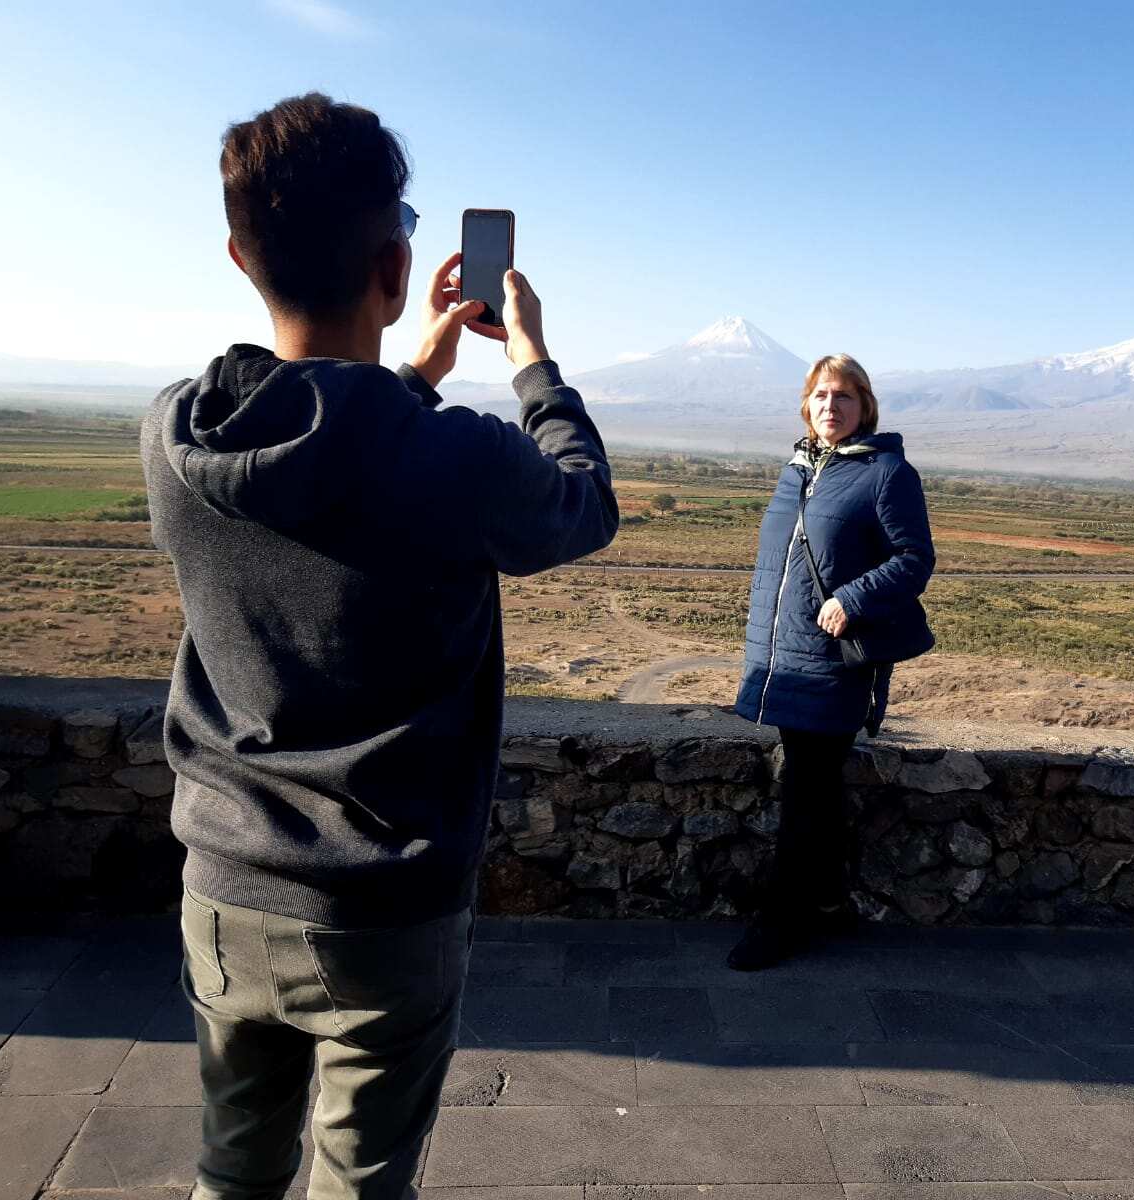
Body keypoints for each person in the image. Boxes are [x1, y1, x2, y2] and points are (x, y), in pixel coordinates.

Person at [139, 93, 617, 1200]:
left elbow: (318, 460)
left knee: (231, 1170)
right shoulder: (454, 461)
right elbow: (582, 508)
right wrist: (534, 362)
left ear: (238, 255)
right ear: (397, 271)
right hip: (383, 909)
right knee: (362, 1185)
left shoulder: (174, 434)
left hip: (221, 883)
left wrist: (410, 372)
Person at [731, 354, 935, 971]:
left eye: (844, 396)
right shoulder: (796, 470)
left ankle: (779, 922)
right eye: (820, 395)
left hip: (834, 663)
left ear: (864, 406)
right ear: (805, 404)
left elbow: (913, 559)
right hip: (785, 657)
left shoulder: (886, 474)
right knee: (812, 789)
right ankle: (826, 904)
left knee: (805, 792)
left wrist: (854, 597)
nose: (830, 406)